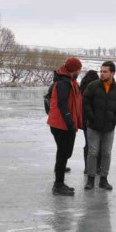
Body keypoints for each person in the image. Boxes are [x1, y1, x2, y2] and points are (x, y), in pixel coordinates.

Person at [82, 61, 116, 191]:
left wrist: (115, 120)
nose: (101, 74)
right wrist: (92, 117)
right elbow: (85, 103)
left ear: (112, 73)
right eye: (101, 71)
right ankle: (91, 179)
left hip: (109, 127)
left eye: (105, 71)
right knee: (93, 152)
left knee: (106, 153)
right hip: (93, 126)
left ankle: (103, 179)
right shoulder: (92, 86)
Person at [46, 58, 84, 196]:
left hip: (64, 124)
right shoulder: (63, 83)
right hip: (61, 124)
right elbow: (62, 104)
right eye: (79, 69)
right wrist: (69, 122)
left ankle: (59, 182)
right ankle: (58, 185)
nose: (80, 71)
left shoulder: (69, 81)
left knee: (65, 153)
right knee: (63, 153)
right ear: (74, 70)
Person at [79, 70, 100, 173]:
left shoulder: (82, 87)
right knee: (98, 143)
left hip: (84, 118)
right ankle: (97, 167)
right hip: (95, 118)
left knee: (88, 143)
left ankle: (87, 167)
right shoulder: (97, 87)